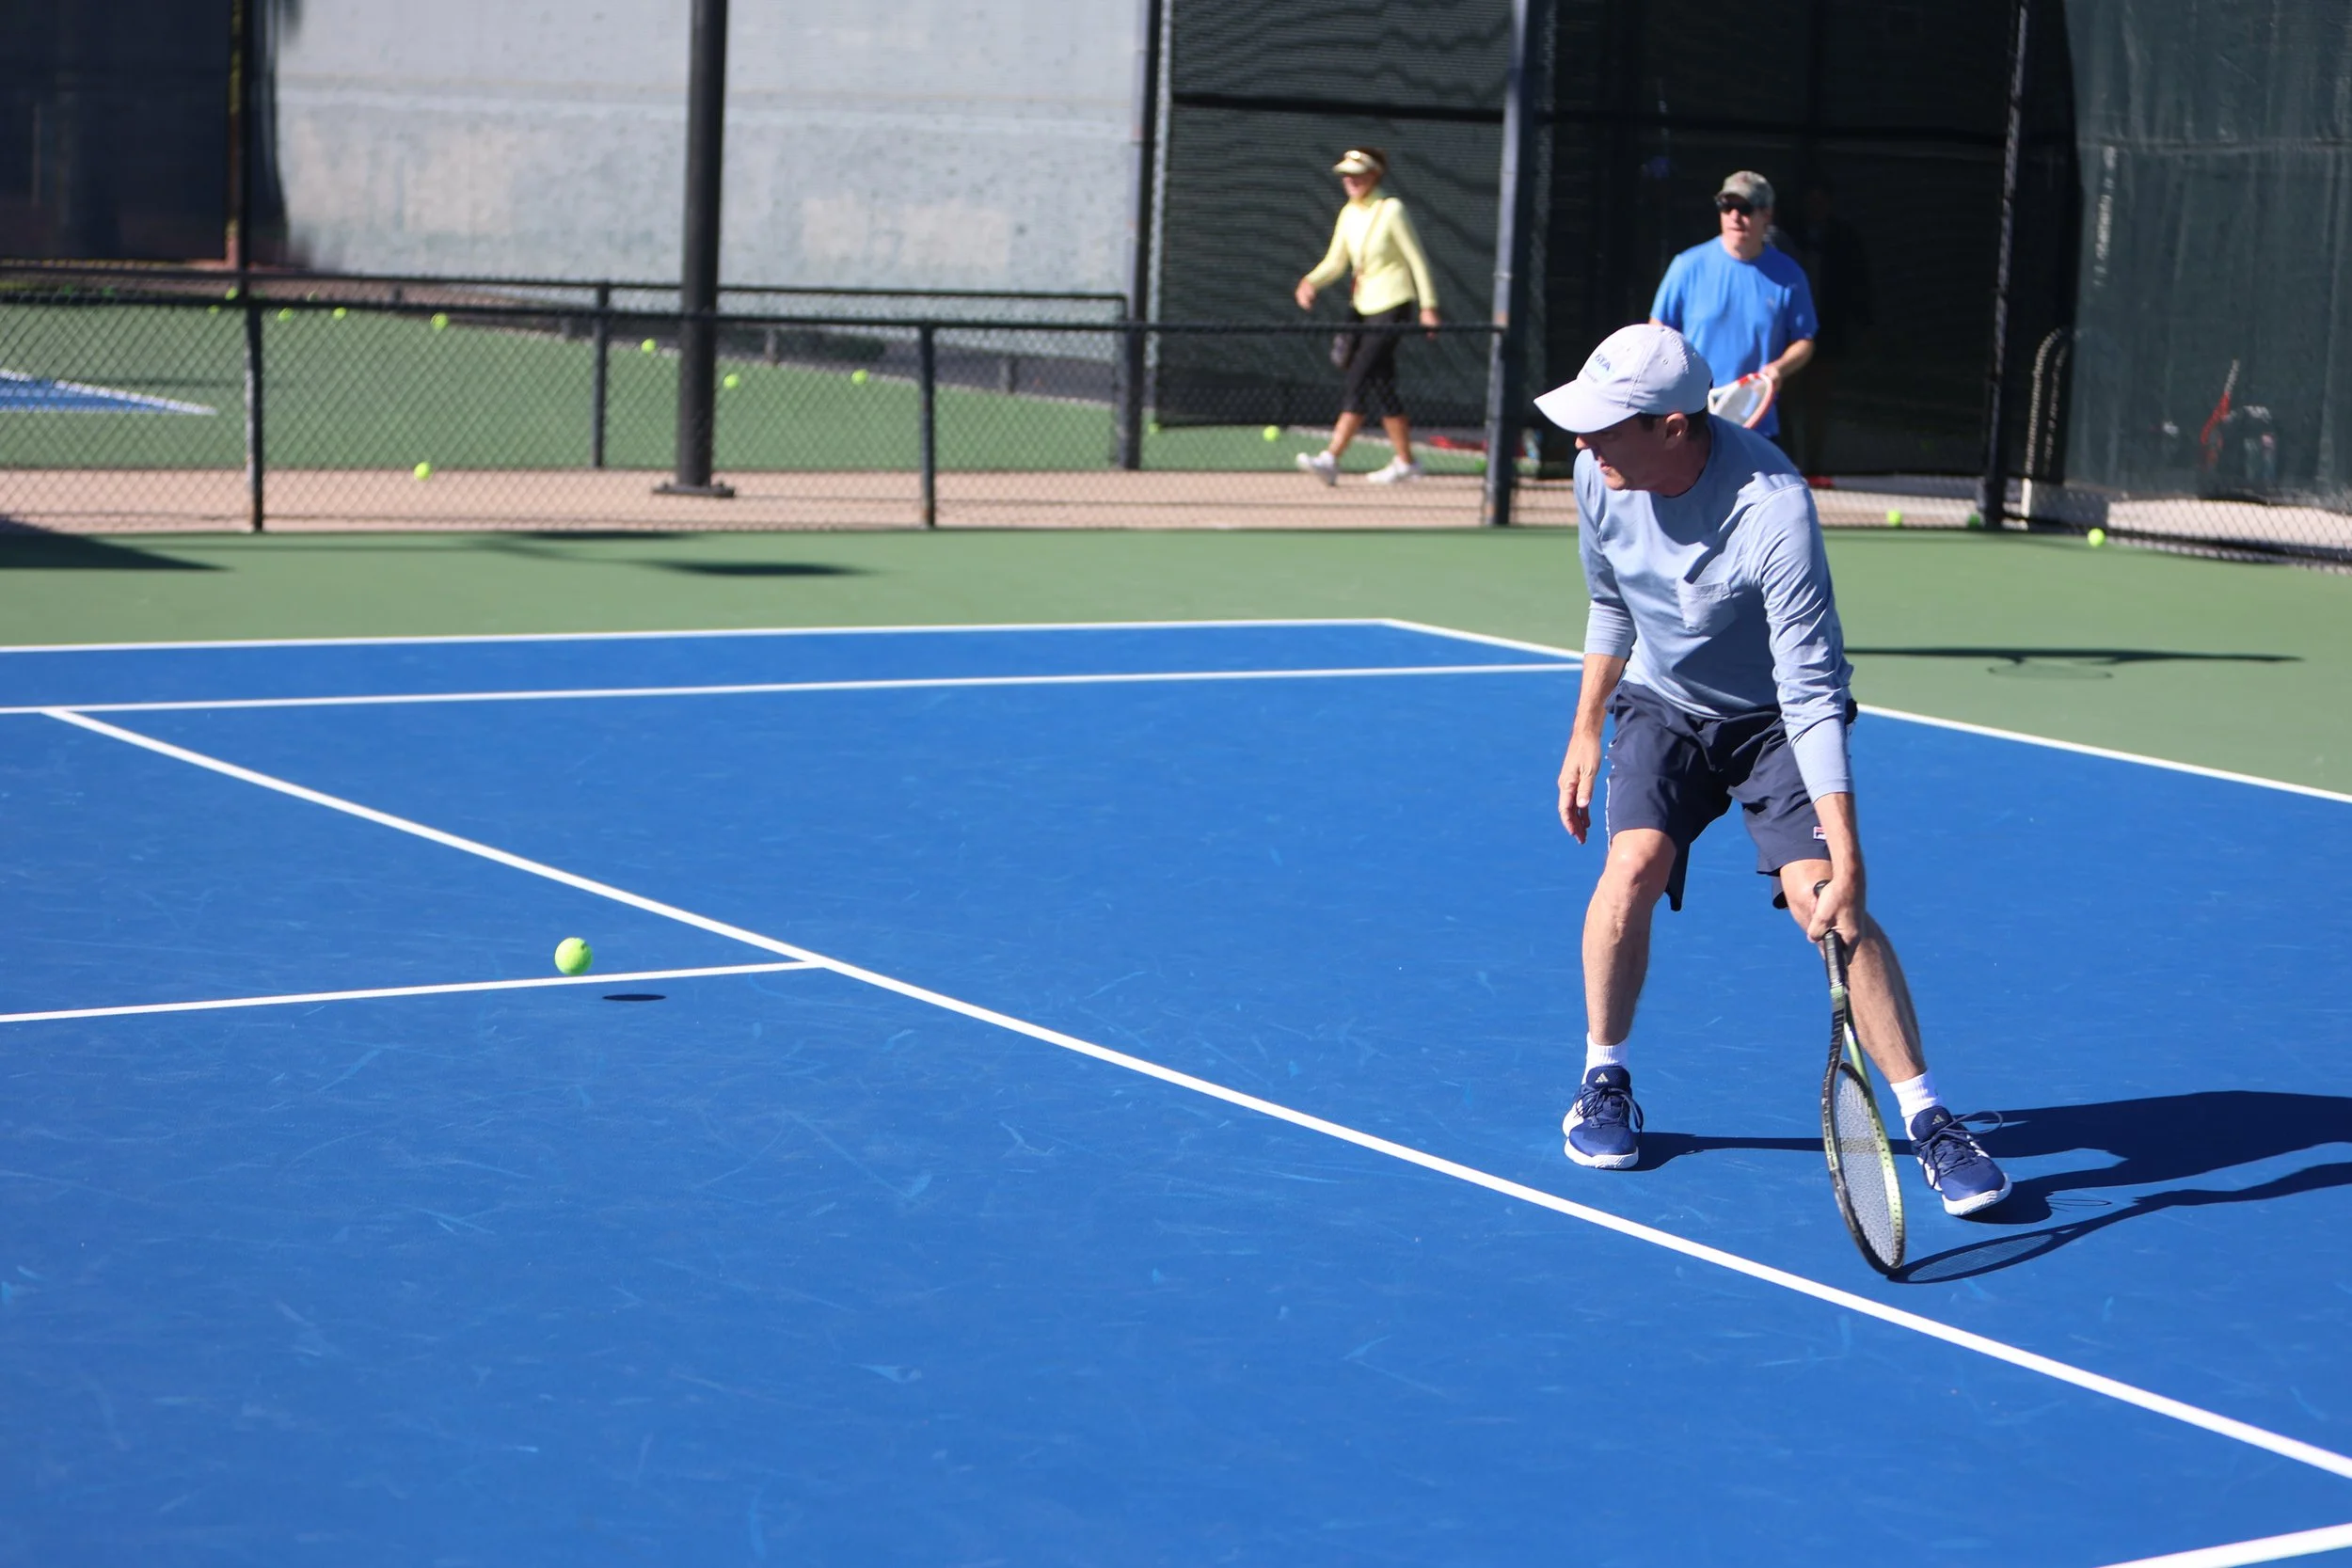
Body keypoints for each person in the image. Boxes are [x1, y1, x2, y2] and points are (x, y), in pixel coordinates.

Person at [1534, 321, 2010, 1217]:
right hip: (1660, 703)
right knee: (1631, 865)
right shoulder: (1599, 473)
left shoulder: (1773, 509)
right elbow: (1609, 602)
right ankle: (1604, 1077)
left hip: (1773, 721)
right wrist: (1586, 727)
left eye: (1603, 424)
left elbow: (1813, 687)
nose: (1583, 441)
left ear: (1672, 426)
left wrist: (1847, 849)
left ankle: (1930, 1119)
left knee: (1821, 901)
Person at [1293, 148, 1441, 486]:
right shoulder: (1349, 213)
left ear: (1374, 176)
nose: (1350, 180)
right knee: (1381, 382)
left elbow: (1417, 261)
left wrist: (1428, 307)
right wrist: (1309, 282)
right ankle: (1407, 462)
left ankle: (1331, 457)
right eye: (1346, 175)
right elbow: (1335, 261)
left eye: (1357, 175)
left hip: (1394, 305)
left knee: (1359, 375)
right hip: (1362, 307)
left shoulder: (1392, 210)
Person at [1649, 171, 1817, 448]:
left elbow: (1804, 341)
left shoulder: (1790, 276)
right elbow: (1658, 329)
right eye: (1727, 207)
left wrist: (1778, 370)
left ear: (1767, 215)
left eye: (1746, 208)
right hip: (1690, 422)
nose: (1735, 216)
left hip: (1755, 425)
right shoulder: (1687, 266)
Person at [1784, 181, 1876, 477]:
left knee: (1817, 404)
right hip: (1789, 336)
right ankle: (1784, 466)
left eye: (1821, 200)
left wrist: (1863, 324)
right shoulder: (1787, 237)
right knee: (1784, 402)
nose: (1816, 206)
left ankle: (1813, 467)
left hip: (1828, 335)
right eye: (1811, 200)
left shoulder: (1844, 238)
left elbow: (1858, 284)